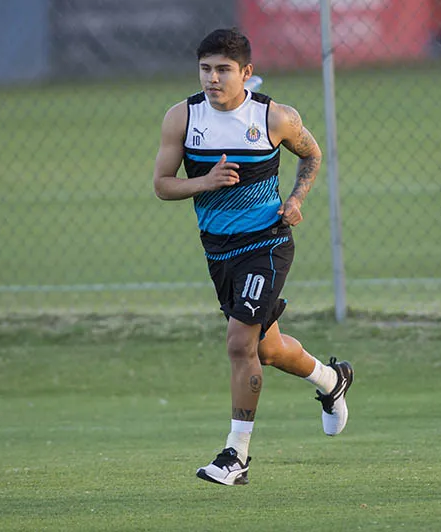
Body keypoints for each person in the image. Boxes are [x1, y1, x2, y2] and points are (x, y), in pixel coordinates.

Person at [153, 28, 353, 486]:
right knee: (268, 348)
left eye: (223, 70)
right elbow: (162, 185)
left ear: (246, 72)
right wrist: (204, 182)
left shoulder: (274, 117)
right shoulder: (182, 117)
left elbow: (312, 155)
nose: (212, 78)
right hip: (218, 251)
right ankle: (330, 379)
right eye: (205, 69)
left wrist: (296, 199)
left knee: (239, 345)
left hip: (266, 245)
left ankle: (235, 455)